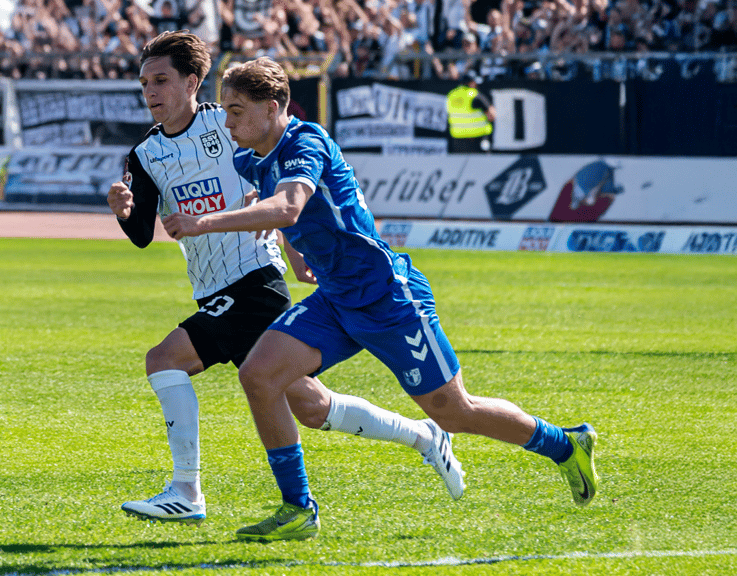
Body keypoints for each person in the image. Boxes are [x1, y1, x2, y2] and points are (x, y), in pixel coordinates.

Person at [162, 57, 599, 542]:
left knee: (454, 411)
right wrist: (296, 248)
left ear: (273, 107)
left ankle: (566, 444)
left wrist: (204, 222)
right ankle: (298, 508)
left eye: (237, 111)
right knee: (259, 375)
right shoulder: (255, 156)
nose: (228, 122)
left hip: (389, 298)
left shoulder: (305, 143)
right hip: (337, 300)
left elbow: (287, 206)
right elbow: (269, 202)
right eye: (224, 110)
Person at [109, 31, 464, 529]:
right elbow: (143, 233)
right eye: (145, 82)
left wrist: (290, 248)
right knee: (311, 407)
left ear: (193, 82)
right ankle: (424, 436)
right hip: (214, 291)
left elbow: (282, 191)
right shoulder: (144, 155)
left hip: (254, 281)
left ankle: (188, 490)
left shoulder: (232, 123)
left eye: (162, 80)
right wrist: (124, 211)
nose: (151, 91)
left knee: (164, 360)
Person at [446, 70, 496, 153]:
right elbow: (492, 115)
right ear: (472, 83)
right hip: (476, 139)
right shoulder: (474, 95)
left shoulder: (451, 95)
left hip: (457, 140)